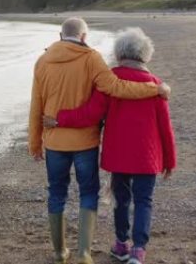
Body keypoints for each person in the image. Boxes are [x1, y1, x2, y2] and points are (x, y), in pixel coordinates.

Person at [29, 18, 171, 264]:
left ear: (60, 34)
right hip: (106, 147)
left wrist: (37, 140)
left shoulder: (43, 61)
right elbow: (119, 90)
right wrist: (154, 89)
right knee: (100, 195)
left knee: (60, 194)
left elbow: (42, 107)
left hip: (73, 146)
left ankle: (69, 251)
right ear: (84, 36)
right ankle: (99, 252)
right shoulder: (95, 60)